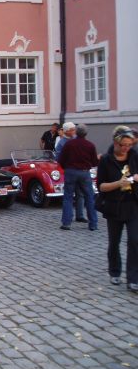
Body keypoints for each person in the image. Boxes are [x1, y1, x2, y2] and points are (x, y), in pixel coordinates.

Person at [97, 126, 138, 293]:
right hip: (114, 206)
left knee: (135, 241)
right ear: (116, 143)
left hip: (133, 205)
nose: (126, 148)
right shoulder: (106, 160)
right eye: (123, 145)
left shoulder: (135, 156)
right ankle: (114, 271)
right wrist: (118, 183)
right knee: (114, 242)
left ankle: (133, 279)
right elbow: (101, 186)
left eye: (129, 144)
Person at [58, 124, 98, 231]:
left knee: (68, 197)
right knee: (89, 197)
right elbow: (94, 162)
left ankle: (66, 223)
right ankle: (93, 224)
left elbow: (61, 159)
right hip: (84, 172)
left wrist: (67, 168)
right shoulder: (90, 145)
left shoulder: (69, 144)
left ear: (76, 132)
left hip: (70, 171)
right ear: (86, 133)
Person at [56, 122, 86, 222]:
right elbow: (59, 158)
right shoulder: (62, 143)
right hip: (70, 171)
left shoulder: (77, 140)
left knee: (80, 194)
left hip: (79, 171)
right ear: (67, 131)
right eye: (72, 130)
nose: (75, 131)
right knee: (69, 196)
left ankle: (80, 215)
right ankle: (68, 218)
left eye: (74, 129)